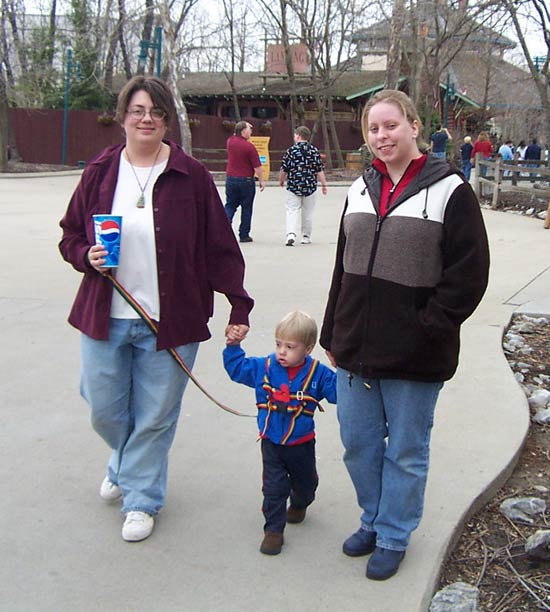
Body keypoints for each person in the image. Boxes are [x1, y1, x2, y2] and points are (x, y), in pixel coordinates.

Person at [59, 76, 254, 543]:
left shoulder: (191, 176)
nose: (146, 119)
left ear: (167, 120)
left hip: (173, 321)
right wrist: (86, 254)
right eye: (137, 110)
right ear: (123, 116)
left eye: (156, 112)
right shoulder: (102, 172)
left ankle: (141, 498)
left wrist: (238, 304)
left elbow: (219, 246)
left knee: (156, 415)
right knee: (103, 408)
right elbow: (70, 234)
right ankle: (125, 463)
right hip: (106, 315)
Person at [320, 90, 489, 581]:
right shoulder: (359, 188)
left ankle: (394, 533)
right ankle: (372, 519)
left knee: (407, 451)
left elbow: (469, 274)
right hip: (354, 347)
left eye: (391, 125)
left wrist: (429, 325)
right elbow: (341, 269)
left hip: (416, 352)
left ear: (415, 127)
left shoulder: (450, 189)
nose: (382, 136)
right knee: (359, 444)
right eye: (374, 128)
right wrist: (333, 329)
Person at [223, 311, 336, 555]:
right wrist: (233, 346)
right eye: (278, 344)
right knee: (273, 489)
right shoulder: (263, 367)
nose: (282, 351)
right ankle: (273, 531)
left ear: (308, 348)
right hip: (271, 442)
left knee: (306, 484)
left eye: (290, 347)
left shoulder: (319, 373)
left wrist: (346, 368)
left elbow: (339, 393)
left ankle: (300, 501)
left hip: (302, 443)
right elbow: (237, 369)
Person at [279, 125, 328, 246]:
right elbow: (319, 169)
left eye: (295, 134)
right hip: (309, 186)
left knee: (292, 210)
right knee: (308, 212)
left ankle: (291, 234)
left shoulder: (291, 151)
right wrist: (324, 184)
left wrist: (281, 180)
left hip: (294, 185)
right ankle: (306, 236)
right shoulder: (314, 151)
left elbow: (284, 168)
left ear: (298, 135)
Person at [225, 121, 265, 243]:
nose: (251, 131)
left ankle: (224, 228)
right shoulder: (249, 147)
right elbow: (257, 167)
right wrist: (262, 180)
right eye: (249, 129)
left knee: (230, 205)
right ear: (244, 132)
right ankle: (244, 234)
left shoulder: (230, 142)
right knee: (246, 208)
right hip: (246, 180)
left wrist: (242, 124)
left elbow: (234, 133)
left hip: (231, 178)